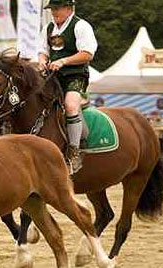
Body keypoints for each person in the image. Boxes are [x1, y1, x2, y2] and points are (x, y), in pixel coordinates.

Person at [38, 0, 98, 174]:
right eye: (52, 9)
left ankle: (74, 150)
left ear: (68, 8)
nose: (54, 12)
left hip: (75, 75)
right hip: (53, 76)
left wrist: (64, 61)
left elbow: (87, 54)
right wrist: (42, 60)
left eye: (57, 9)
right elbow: (43, 50)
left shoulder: (81, 26)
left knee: (71, 105)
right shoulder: (48, 28)